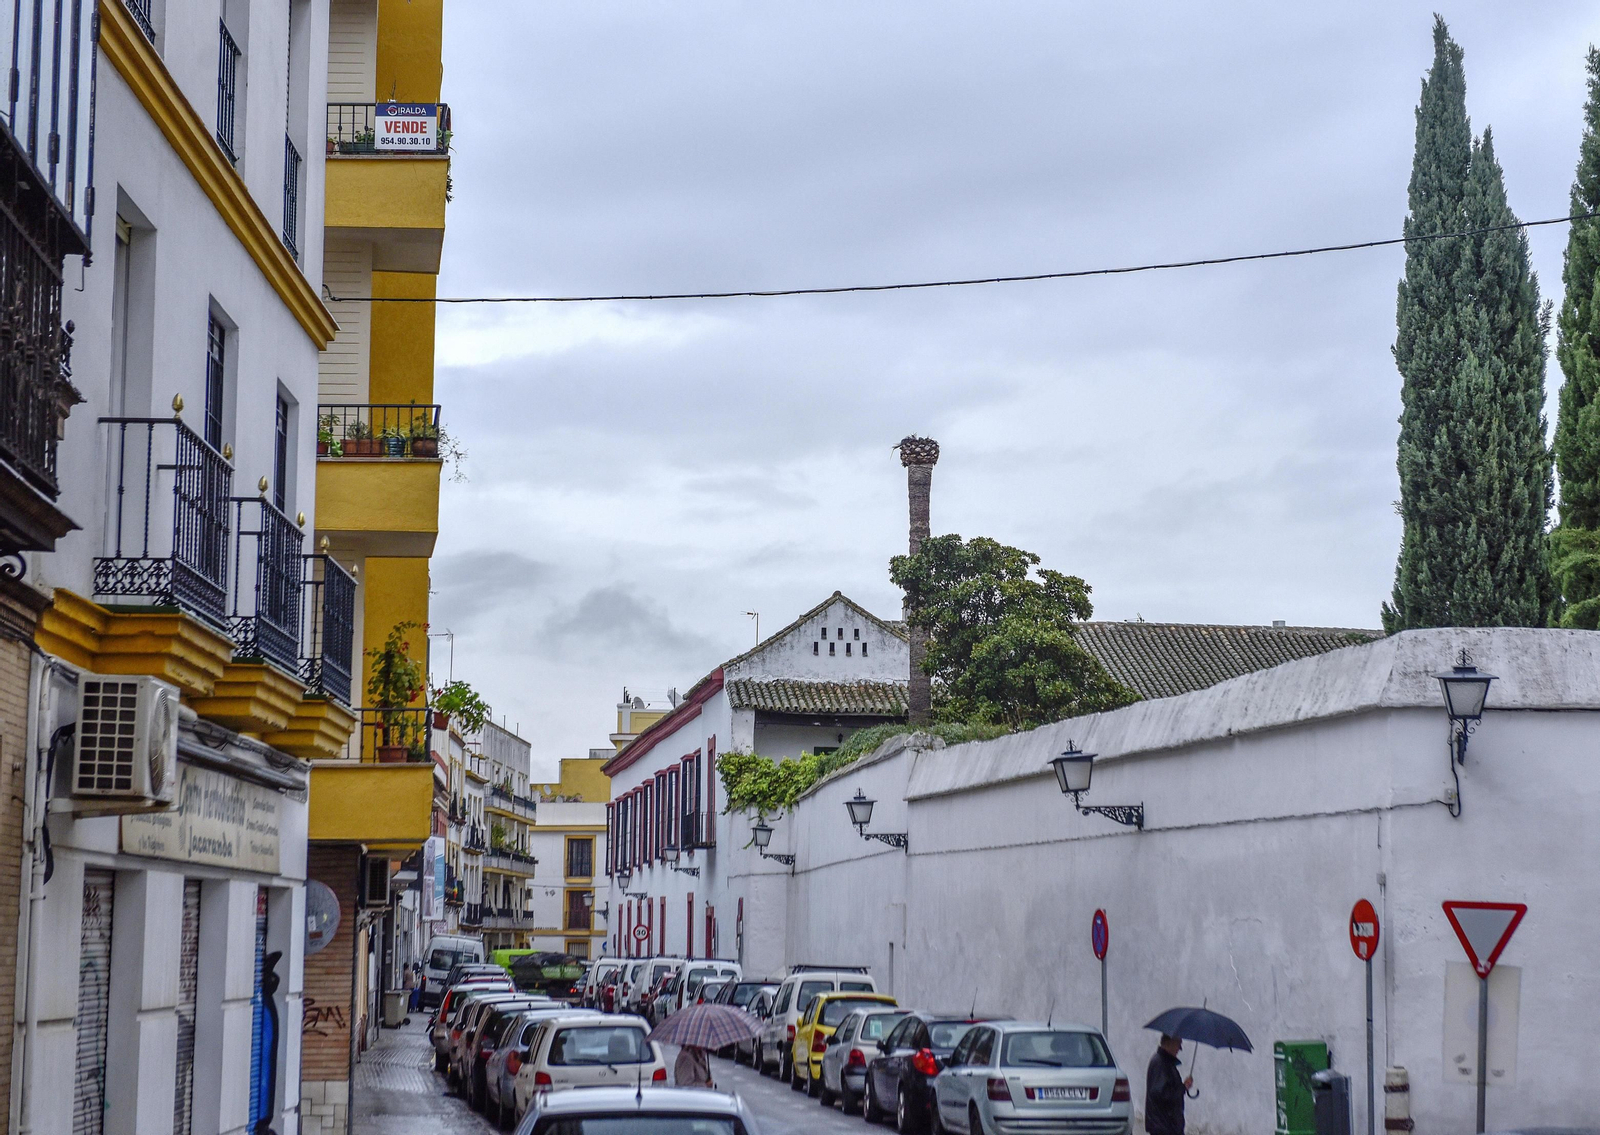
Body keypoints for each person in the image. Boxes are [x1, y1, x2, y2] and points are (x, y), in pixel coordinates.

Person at [1145, 1034, 1193, 1135]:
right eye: (1178, 1044)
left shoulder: (1165, 1063)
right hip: (1164, 1126)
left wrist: (1184, 1087)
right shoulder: (1160, 1063)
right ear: (1169, 1043)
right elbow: (1161, 1093)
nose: (1180, 1049)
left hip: (1167, 1126)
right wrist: (1182, 1088)